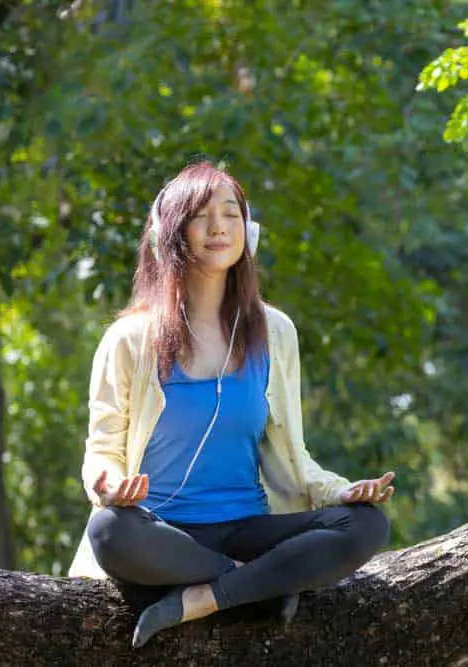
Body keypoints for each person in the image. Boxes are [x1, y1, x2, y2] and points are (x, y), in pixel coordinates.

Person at [66, 161, 395, 648]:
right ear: (170, 234)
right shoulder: (129, 339)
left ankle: (203, 598)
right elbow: (102, 449)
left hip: (246, 526)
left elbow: (293, 454)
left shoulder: (275, 332)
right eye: (201, 215)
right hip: (161, 534)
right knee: (109, 529)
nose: (219, 227)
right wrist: (107, 484)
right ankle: (262, 586)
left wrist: (340, 491)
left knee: (366, 524)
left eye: (232, 214)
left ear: (249, 233)